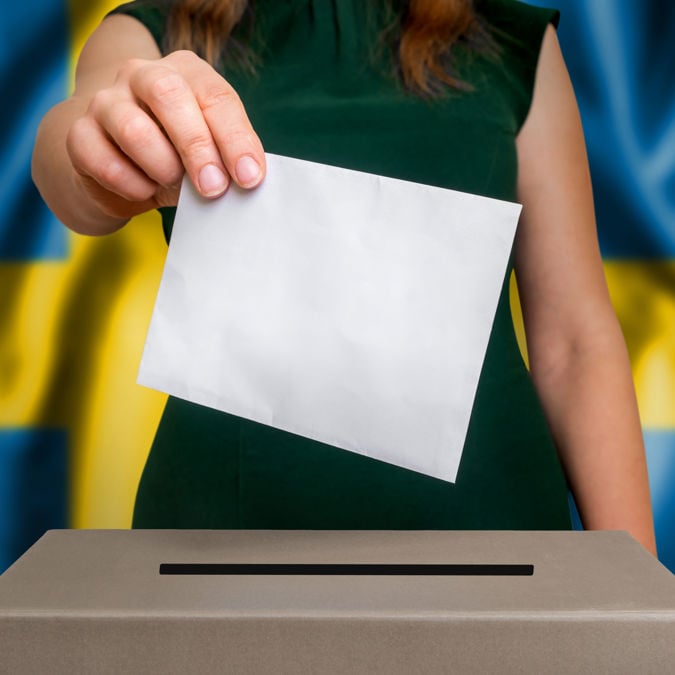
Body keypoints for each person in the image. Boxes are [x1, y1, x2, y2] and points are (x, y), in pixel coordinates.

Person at [32, 0, 656, 555]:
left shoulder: (512, 40)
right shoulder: (149, 30)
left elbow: (577, 344)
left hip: (492, 524)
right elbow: (74, 165)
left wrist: (642, 605)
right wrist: (96, 148)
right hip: (221, 532)